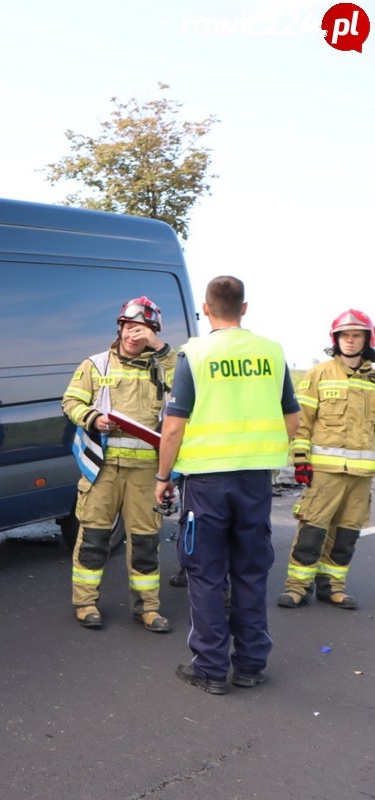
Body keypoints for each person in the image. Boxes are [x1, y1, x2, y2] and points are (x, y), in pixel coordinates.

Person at [155, 276, 299, 695]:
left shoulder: (195, 353)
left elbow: (174, 426)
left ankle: (211, 669)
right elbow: (292, 419)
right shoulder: (271, 353)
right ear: (245, 308)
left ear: (205, 308)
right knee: (251, 571)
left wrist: (164, 478)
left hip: (206, 482)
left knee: (205, 574)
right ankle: (252, 666)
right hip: (256, 480)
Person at [62, 297, 176, 632]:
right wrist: (92, 417)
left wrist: (161, 348)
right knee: (95, 537)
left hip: (145, 472)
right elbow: (70, 401)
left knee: (145, 542)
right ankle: (85, 603)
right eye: (127, 327)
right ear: (119, 327)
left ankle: (147, 608)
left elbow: (189, 385)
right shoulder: (96, 364)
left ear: (152, 332)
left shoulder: (164, 366)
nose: (132, 334)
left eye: (141, 329)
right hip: (103, 468)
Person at [276, 309, 375, 610]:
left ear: (367, 339)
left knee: (346, 535)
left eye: (356, 335)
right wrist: (301, 459)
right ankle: (296, 588)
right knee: (312, 531)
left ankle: (332, 587)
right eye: (344, 335)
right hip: (325, 473)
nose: (349, 341)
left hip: (361, 477)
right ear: (335, 339)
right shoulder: (319, 373)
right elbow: (302, 421)